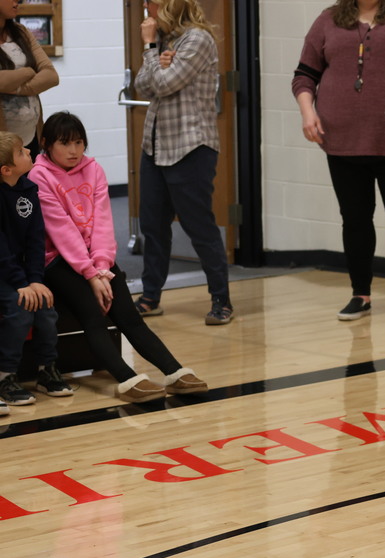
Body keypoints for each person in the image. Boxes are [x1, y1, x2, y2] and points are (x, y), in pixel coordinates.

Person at [29, 111, 208, 403]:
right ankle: (127, 379)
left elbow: (102, 221)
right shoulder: (39, 175)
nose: (74, 151)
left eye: (78, 142)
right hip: (59, 260)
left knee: (129, 316)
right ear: (47, 144)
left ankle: (174, 372)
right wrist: (90, 275)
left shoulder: (94, 169)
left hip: (95, 260)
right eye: (65, 143)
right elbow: (61, 230)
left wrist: (102, 267)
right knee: (93, 315)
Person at [292, 0, 385, 324]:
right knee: (355, 219)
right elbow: (304, 75)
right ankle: (360, 294)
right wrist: (308, 112)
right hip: (341, 141)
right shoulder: (328, 20)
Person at [133, 0, 233, 325]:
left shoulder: (196, 39)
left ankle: (221, 300)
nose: (147, 6)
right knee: (152, 224)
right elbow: (143, 85)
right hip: (155, 145)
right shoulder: (165, 40)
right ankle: (150, 297)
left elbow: (163, 84)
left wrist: (150, 50)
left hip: (190, 147)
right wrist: (156, 57)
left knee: (198, 226)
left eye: (153, 0)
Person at [0, 130, 71, 415]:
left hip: (20, 274)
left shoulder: (29, 189)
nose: (29, 152)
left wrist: (36, 281)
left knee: (45, 306)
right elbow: (1, 249)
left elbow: (35, 240)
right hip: (4, 273)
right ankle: (5, 377)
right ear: (6, 169)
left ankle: (46, 369)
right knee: (20, 310)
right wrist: (22, 284)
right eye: (21, 152)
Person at [0, 0, 58, 158]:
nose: (16, 1)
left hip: (31, 136)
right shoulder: (28, 71)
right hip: (3, 142)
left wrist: (17, 88)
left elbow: (51, 76)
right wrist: (28, 71)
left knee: (31, 181)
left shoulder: (20, 31)